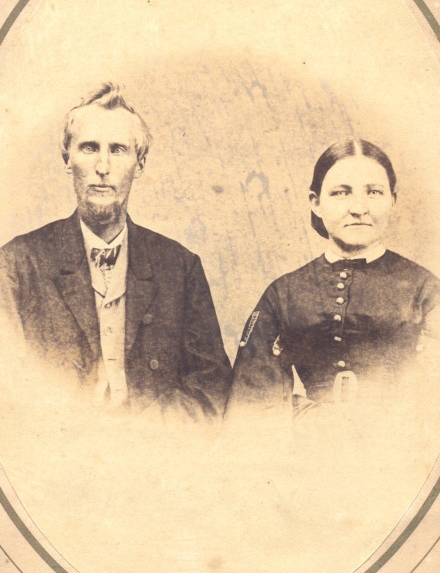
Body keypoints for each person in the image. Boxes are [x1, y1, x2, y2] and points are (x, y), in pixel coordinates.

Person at [0, 83, 232, 420]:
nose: (103, 166)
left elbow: (211, 386)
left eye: (118, 150)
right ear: (67, 159)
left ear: (140, 164)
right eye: (89, 148)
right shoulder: (16, 264)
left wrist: (147, 434)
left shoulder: (180, 267)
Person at [229, 139, 440, 414]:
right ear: (316, 203)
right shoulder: (283, 293)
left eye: (374, 192)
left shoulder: (426, 289)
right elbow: (252, 401)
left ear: (392, 200)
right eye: (341, 193)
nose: (359, 208)